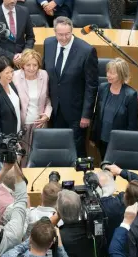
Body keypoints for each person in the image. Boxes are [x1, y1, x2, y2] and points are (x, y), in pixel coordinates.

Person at [43, 16, 99, 158]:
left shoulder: (86, 51)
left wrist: (86, 115)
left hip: (76, 113)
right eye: (60, 34)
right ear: (54, 32)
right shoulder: (48, 43)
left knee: (76, 149)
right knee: (57, 148)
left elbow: (91, 86)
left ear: (72, 31)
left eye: (67, 34)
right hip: (54, 110)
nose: (63, 38)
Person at [52, 190, 103, 257]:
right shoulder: (94, 232)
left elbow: (37, 235)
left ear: (58, 212)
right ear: (81, 209)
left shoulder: (58, 236)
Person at [90, 58, 138, 159]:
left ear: (121, 74)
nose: (108, 75)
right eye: (108, 71)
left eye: (112, 73)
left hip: (119, 143)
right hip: (102, 138)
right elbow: (97, 114)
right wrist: (93, 136)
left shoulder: (130, 95)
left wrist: (127, 144)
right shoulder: (103, 88)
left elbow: (132, 125)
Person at [12, 49, 52, 165]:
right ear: (22, 65)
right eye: (28, 65)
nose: (31, 68)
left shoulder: (44, 75)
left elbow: (48, 98)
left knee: (38, 158)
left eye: (35, 65)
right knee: (22, 158)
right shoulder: (15, 76)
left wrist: (47, 115)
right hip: (22, 125)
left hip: (40, 124)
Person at [0, 0, 35, 65]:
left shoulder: (24, 11)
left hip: (23, 61)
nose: (13, 1)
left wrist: (24, 54)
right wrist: (12, 57)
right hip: (3, 62)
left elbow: (30, 37)